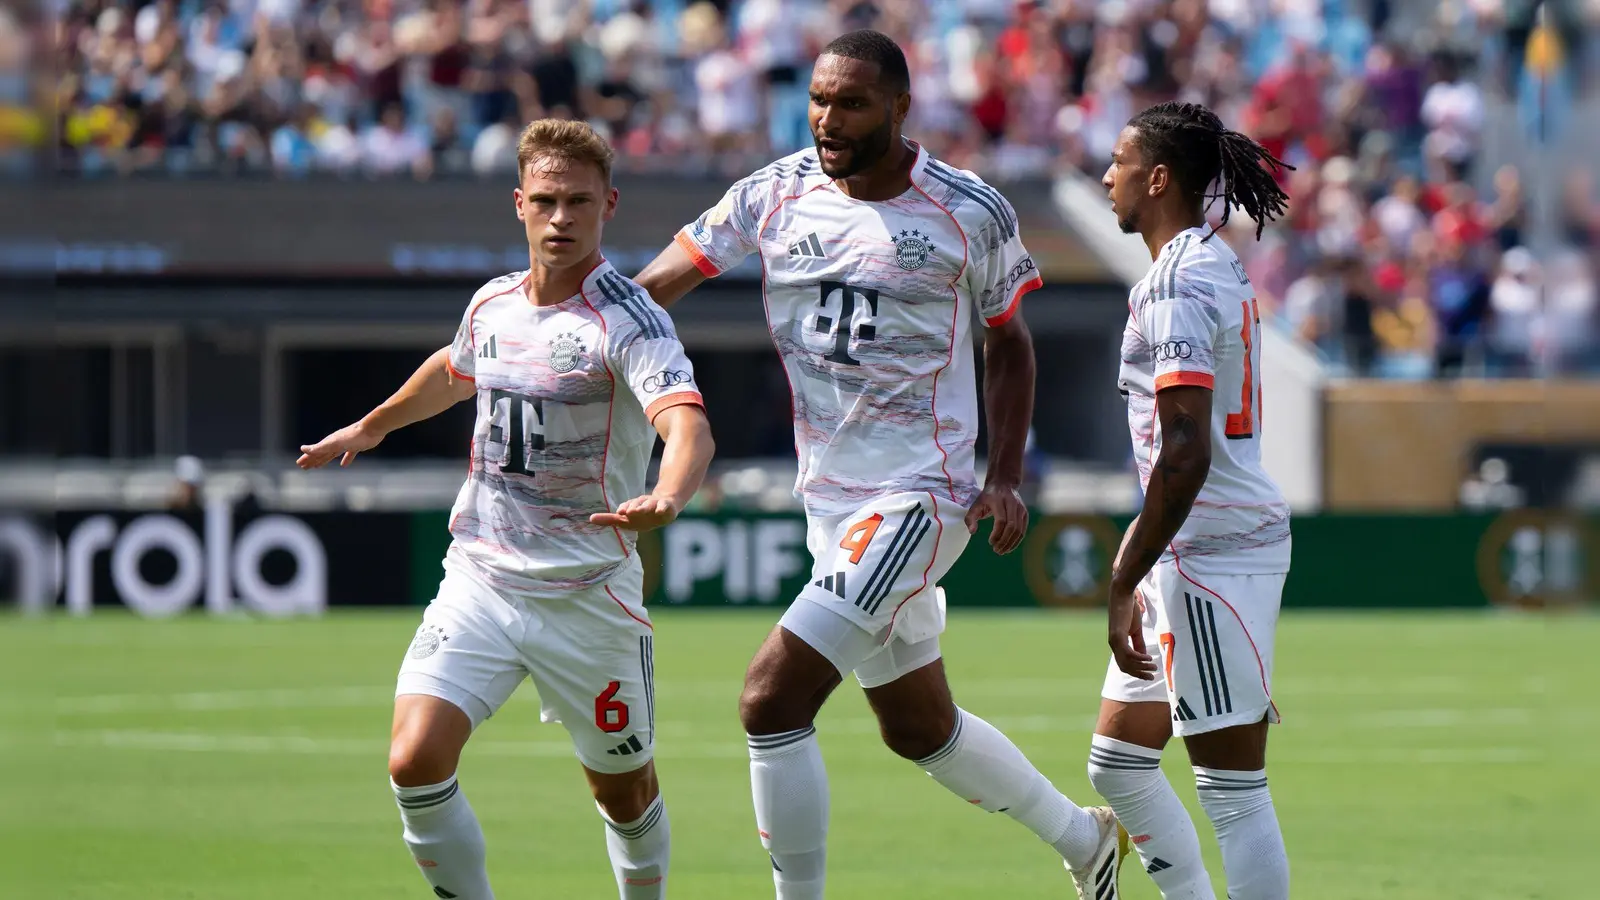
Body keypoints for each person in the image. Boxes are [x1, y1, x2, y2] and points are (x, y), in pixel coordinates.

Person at [634, 29, 1126, 900]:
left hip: (920, 500)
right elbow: (658, 286)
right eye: (820, 100)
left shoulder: (969, 211)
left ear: (900, 109)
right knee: (917, 725)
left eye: (852, 103)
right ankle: (1084, 841)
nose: (828, 119)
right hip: (831, 504)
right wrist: (580, 336)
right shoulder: (773, 193)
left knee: (769, 699)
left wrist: (1004, 473)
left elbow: (1009, 342)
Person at [296, 119, 715, 900]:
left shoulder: (629, 321)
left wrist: (670, 493)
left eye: (579, 203)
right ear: (518, 204)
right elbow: (454, 371)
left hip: (588, 596)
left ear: (609, 206)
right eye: (547, 201)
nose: (562, 219)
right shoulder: (491, 303)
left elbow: (686, 425)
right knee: (413, 761)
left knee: (623, 794)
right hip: (482, 580)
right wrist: (372, 425)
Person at [1092, 100, 1295, 900]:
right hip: (1186, 551)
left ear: (1160, 176)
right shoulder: (1211, 261)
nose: (1108, 176)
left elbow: (1184, 450)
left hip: (1208, 555)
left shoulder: (1175, 281)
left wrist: (1123, 571)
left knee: (1233, 793)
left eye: (1119, 160)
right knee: (1117, 764)